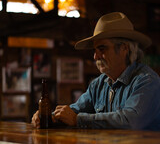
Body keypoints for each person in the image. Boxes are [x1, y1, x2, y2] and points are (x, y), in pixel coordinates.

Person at [32, 12, 160, 130]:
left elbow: (131, 121)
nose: (95, 57)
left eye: (102, 49)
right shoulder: (99, 84)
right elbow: (74, 111)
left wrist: (79, 120)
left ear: (124, 49)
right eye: (95, 50)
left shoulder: (147, 81)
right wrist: (47, 116)